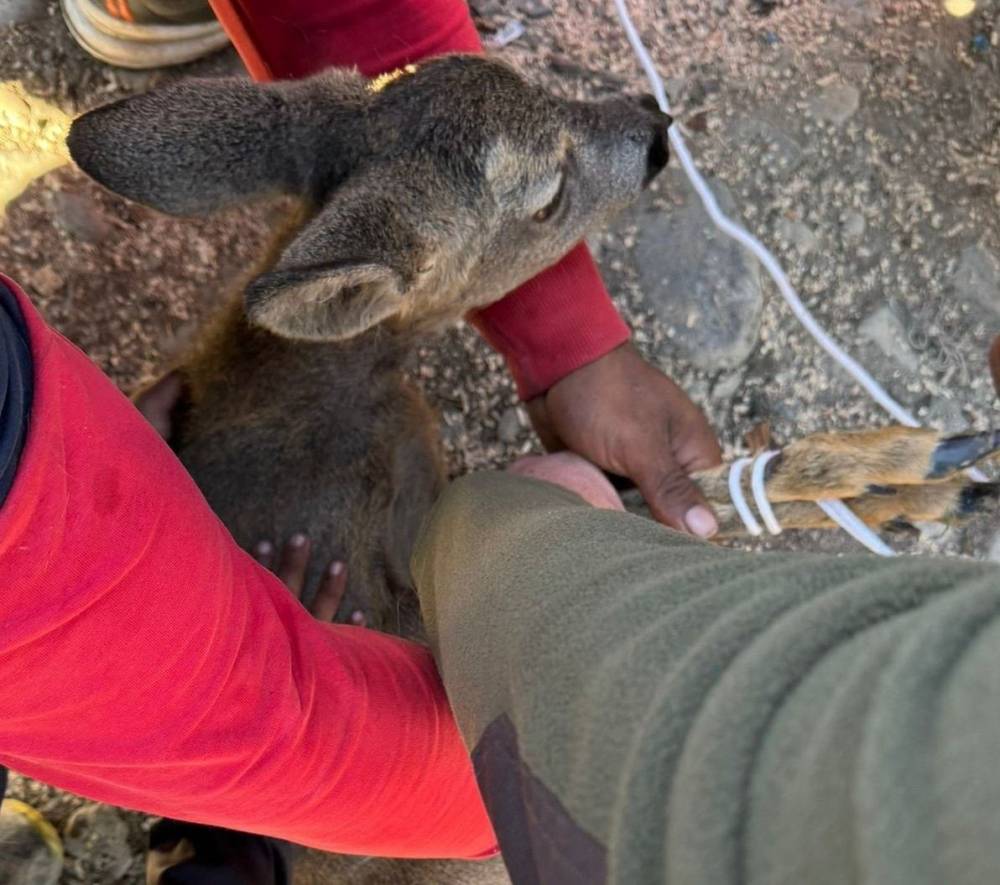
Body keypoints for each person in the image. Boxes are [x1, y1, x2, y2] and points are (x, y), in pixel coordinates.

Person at [56, 0, 725, 540]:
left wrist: (573, 348)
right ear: (352, 293)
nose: (634, 125)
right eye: (551, 195)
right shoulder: (339, 516)